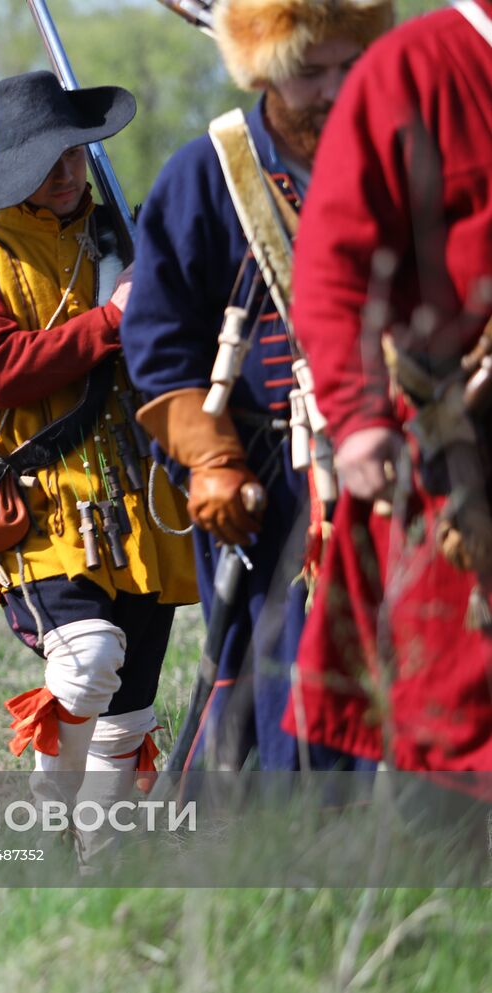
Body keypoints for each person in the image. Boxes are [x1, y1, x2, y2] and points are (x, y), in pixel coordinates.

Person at [0, 71, 195, 851]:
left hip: (141, 503)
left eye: (73, 153)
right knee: (91, 660)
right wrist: (112, 319)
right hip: (37, 511)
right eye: (47, 158)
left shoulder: (125, 242)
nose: (66, 170)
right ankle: (41, 821)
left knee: (132, 705)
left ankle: (105, 872)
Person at [120, 0, 392, 771]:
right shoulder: (206, 175)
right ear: (266, 68)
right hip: (267, 491)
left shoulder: (400, 157)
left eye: (350, 66)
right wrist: (210, 461)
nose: (335, 88)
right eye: (312, 71)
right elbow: (159, 343)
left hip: (396, 472)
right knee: (282, 703)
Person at [287, 0, 492, 776]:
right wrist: (362, 418)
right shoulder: (410, 68)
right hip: (459, 450)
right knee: (448, 714)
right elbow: (335, 265)